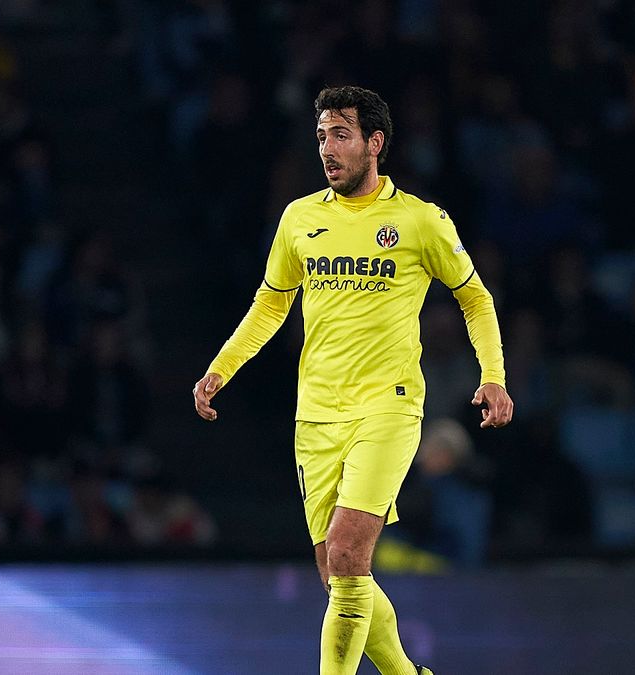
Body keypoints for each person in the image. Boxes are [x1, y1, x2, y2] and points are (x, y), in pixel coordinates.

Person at [192, 86, 513, 674]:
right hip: (315, 414)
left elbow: (475, 298)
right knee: (339, 570)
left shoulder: (421, 220)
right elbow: (270, 304)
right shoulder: (299, 218)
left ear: (375, 143)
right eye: (321, 137)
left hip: (387, 407)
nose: (328, 149)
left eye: (341, 135)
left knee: (346, 553)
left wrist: (493, 375)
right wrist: (221, 368)